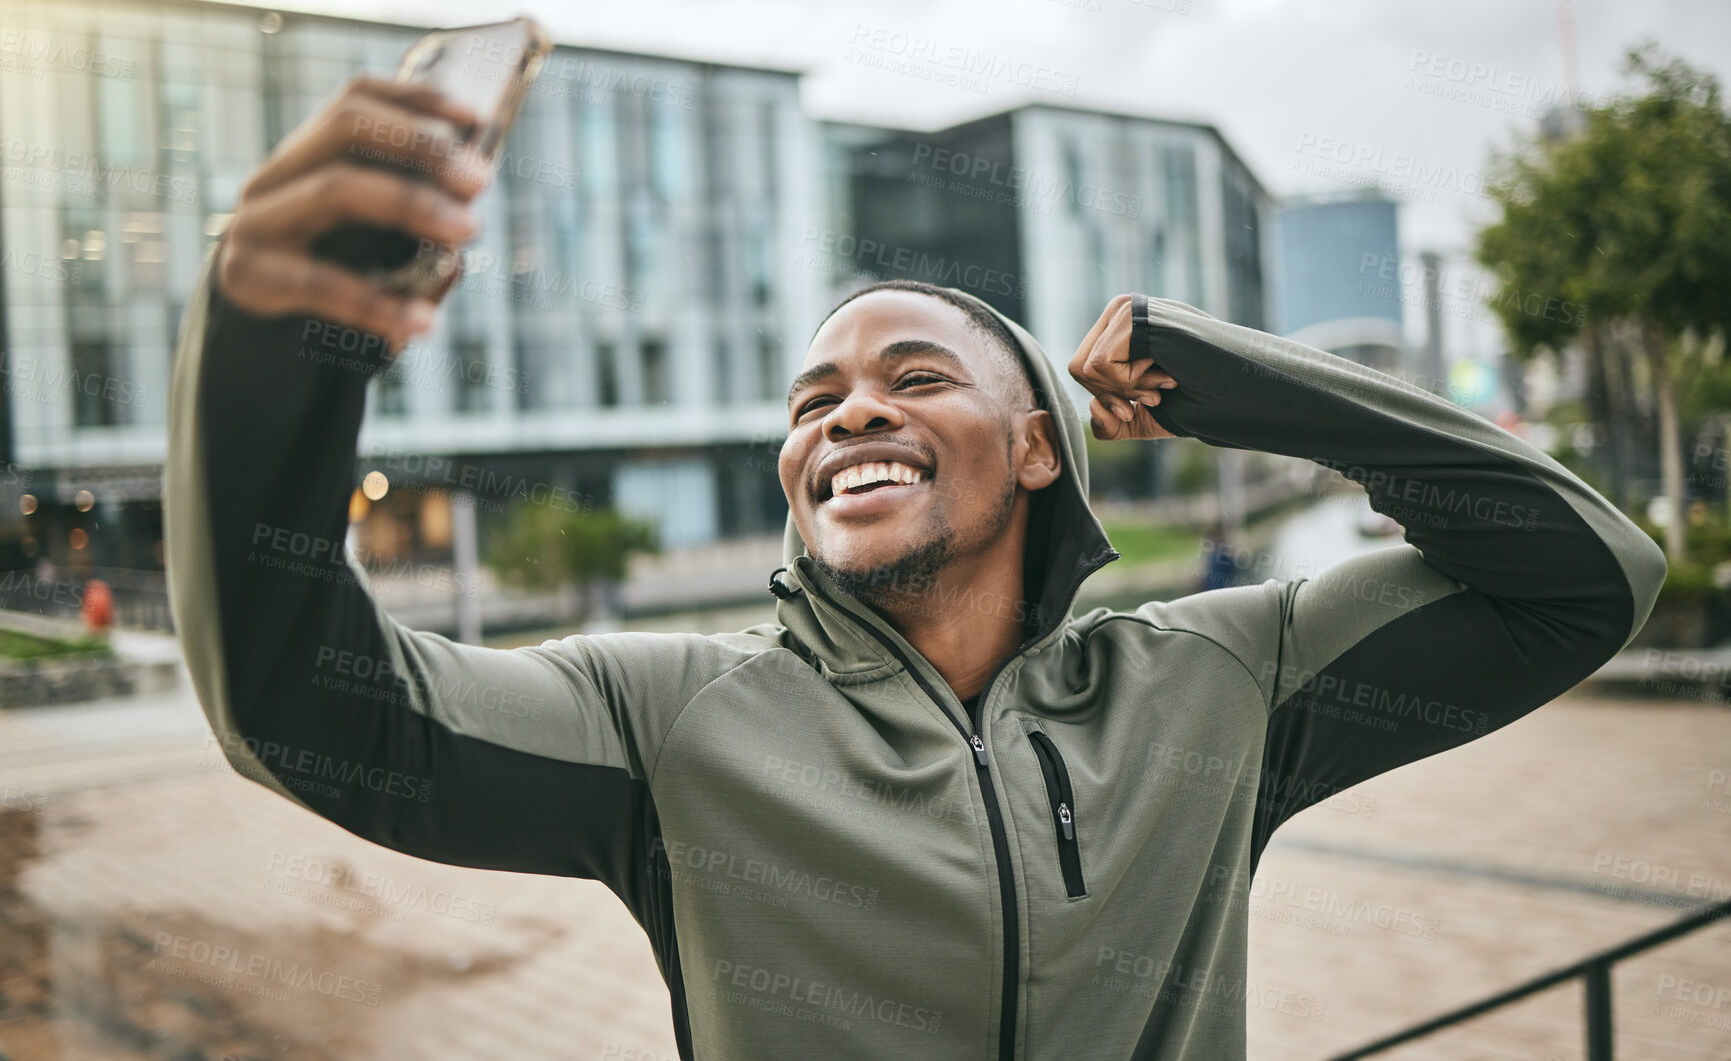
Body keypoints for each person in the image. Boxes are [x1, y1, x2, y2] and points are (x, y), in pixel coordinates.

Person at [164, 79, 1666, 1061]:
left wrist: (1249, 390)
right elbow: (305, 708)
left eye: (912, 376)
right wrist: (275, 346)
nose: (852, 411)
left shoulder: (1223, 685)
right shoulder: (665, 720)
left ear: (1036, 449)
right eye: (815, 401)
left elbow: (1585, 575)